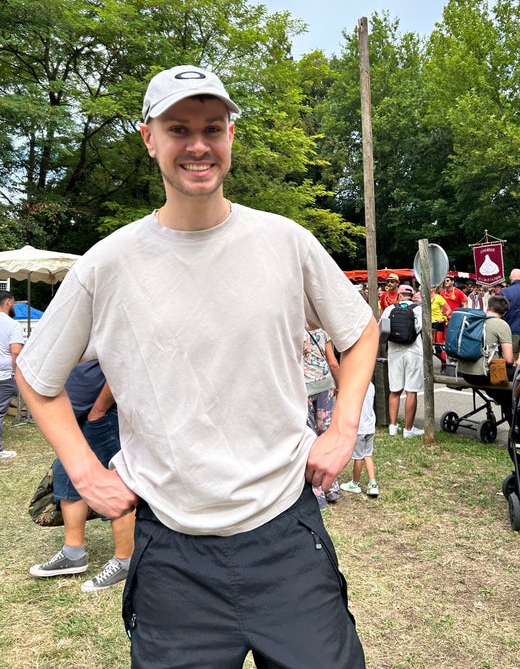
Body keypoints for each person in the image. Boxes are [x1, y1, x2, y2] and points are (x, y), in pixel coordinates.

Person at [16, 65, 379, 669]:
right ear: (148, 138)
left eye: (212, 128)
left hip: (285, 532)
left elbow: (360, 329)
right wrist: (84, 470)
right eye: (178, 129)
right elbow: (36, 375)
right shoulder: (108, 264)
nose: (198, 145)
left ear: (230, 136)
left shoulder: (284, 242)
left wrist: (343, 429)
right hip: (172, 553)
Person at [29, 360, 135, 591]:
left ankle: (125, 560)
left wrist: (99, 410)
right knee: (66, 476)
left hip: (103, 413)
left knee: (114, 482)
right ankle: (73, 553)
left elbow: (122, 364)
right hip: (74, 415)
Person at [457, 295, 515, 422]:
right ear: (504, 313)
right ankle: (514, 425)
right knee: (515, 377)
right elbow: (509, 359)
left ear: (488, 307)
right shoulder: (501, 324)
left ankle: (497, 398)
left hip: (464, 372)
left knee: (501, 390)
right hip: (484, 375)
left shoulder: (473, 320)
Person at [380, 284, 424, 438]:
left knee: (395, 390)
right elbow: (421, 329)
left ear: (399, 295)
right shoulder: (419, 310)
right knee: (411, 390)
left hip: (394, 352)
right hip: (413, 351)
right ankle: (408, 429)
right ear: (412, 296)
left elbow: (382, 330)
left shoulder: (389, 309)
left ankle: (393, 426)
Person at [304, 328, 341, 508]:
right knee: (326, 435)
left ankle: (317, 493)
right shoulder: (323, 331)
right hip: (325, 387)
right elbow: (333, 362)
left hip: (304, 388)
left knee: (310, 438)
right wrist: (340, 385)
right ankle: (331, 487)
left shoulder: (295, 329)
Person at [340, 381, 378, 496]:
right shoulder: (371, 385)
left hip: (359, 428)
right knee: (368, 455)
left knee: (358, 457)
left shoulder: (354, 385)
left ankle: (355, 484)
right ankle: (373, 485)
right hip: (370, 426)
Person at [0, 291, 24, 459]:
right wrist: (16, 371)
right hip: (5, 375)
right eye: (13, 302)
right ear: (8, 302)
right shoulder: (12, 324)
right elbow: (16, 350)